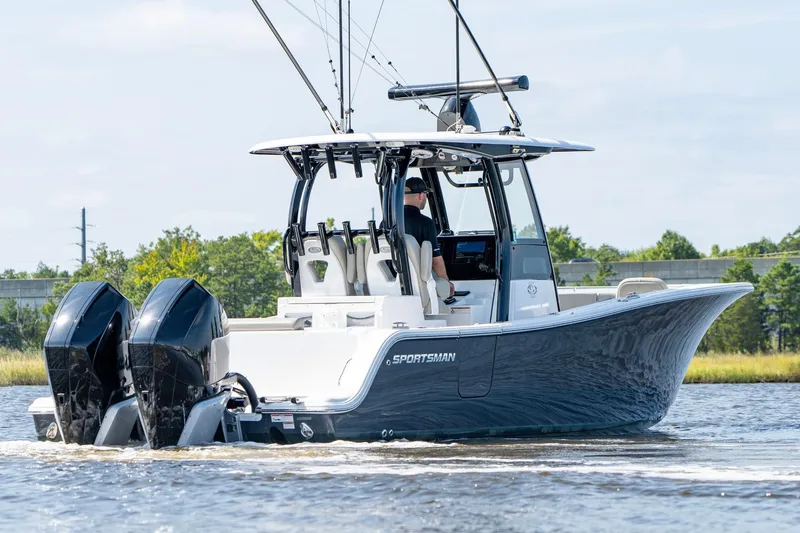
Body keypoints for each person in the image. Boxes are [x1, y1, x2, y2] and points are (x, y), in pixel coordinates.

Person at [403, 177, 455, 297]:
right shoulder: (425, 223)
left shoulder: (386, 223)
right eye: (426, 194)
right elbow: (435, 261)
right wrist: (446, 283)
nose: (426, 198)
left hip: (395, 283)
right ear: (421, 195)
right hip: (418, 287)